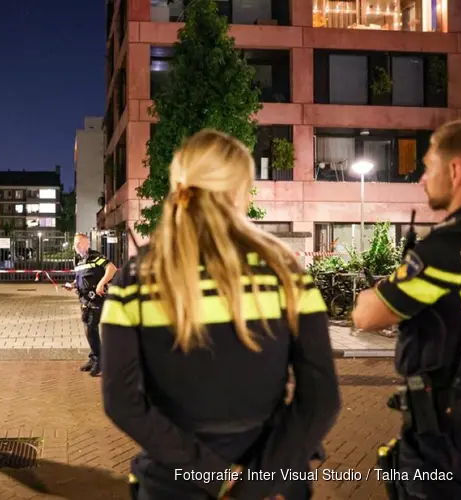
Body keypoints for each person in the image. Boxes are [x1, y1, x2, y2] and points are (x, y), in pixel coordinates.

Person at [99, 129, 341, 500]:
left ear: (180, 186)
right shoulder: (286, 273)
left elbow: (122, 401)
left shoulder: (137, 280)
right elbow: (320, 398)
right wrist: (258, 482)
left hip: (175, 485)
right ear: (241, 191)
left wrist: (216, 477)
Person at [353, 119, 461, 499]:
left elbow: (367, 315)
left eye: (428, 166)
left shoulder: (447, 251)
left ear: (455, 170)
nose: (422, 179)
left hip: (448, 443)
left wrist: (381, 287)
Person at [64, 232, 118, 377]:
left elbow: (111, 268)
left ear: (85, 244)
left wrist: (101, 284)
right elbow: (81, 279)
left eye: (77, 244)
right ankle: (95, 358)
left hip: (96, 298)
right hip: (84, 300)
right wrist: (73, 285)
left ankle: (99, 361)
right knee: (89, 328)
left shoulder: (95, 256)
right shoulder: (78, 260)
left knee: (91, 327)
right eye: (74, 244)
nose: (74, 247)